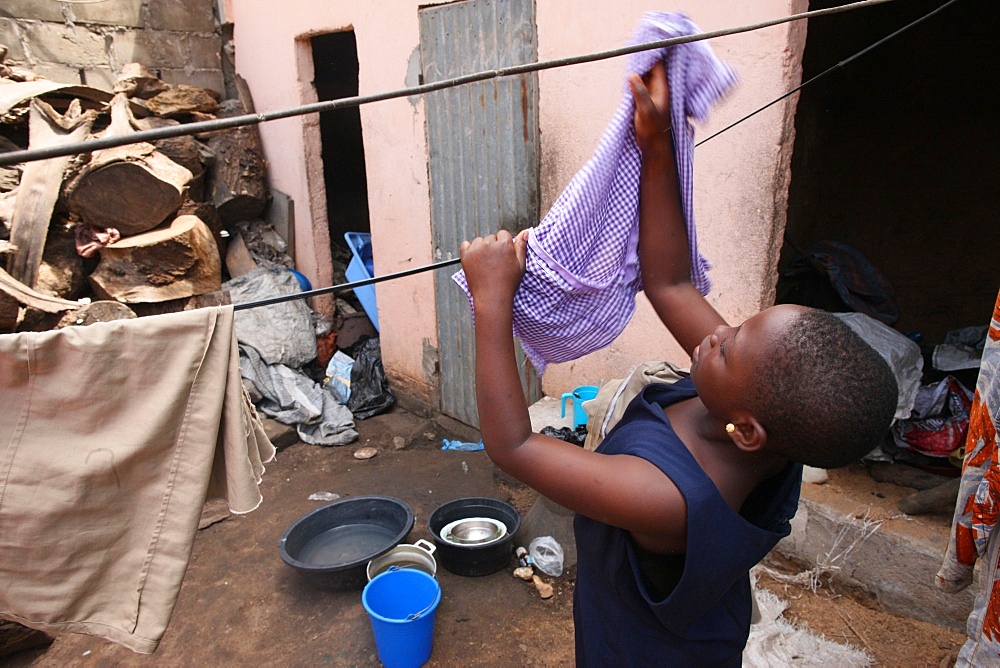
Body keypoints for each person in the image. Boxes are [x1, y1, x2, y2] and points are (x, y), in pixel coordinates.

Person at [458, 62, 898, 666]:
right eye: (740, 326)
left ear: (747, 431)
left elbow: (513, 447)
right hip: (693, 621)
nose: (718, 332)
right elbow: (668, 281)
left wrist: (492, 303)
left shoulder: (669, 498)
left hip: (644, 652)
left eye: (733, 343)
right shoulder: (760, 407)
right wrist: (656, 145)